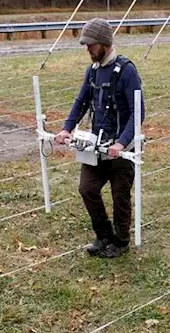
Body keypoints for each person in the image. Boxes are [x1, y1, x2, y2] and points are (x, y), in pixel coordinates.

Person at [54, 17, 145, 259]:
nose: (88, 49)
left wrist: (121, 142)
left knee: (120, 197)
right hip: (97, 146)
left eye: (91, 45)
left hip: (122, 149)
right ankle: (103, 234)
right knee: (87, 188)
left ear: (104, 43)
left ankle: (121, 241)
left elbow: (138, 113)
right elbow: (81, 101)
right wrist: (66, 128)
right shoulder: (92, 72)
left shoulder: (127, 71)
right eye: (85, 45)